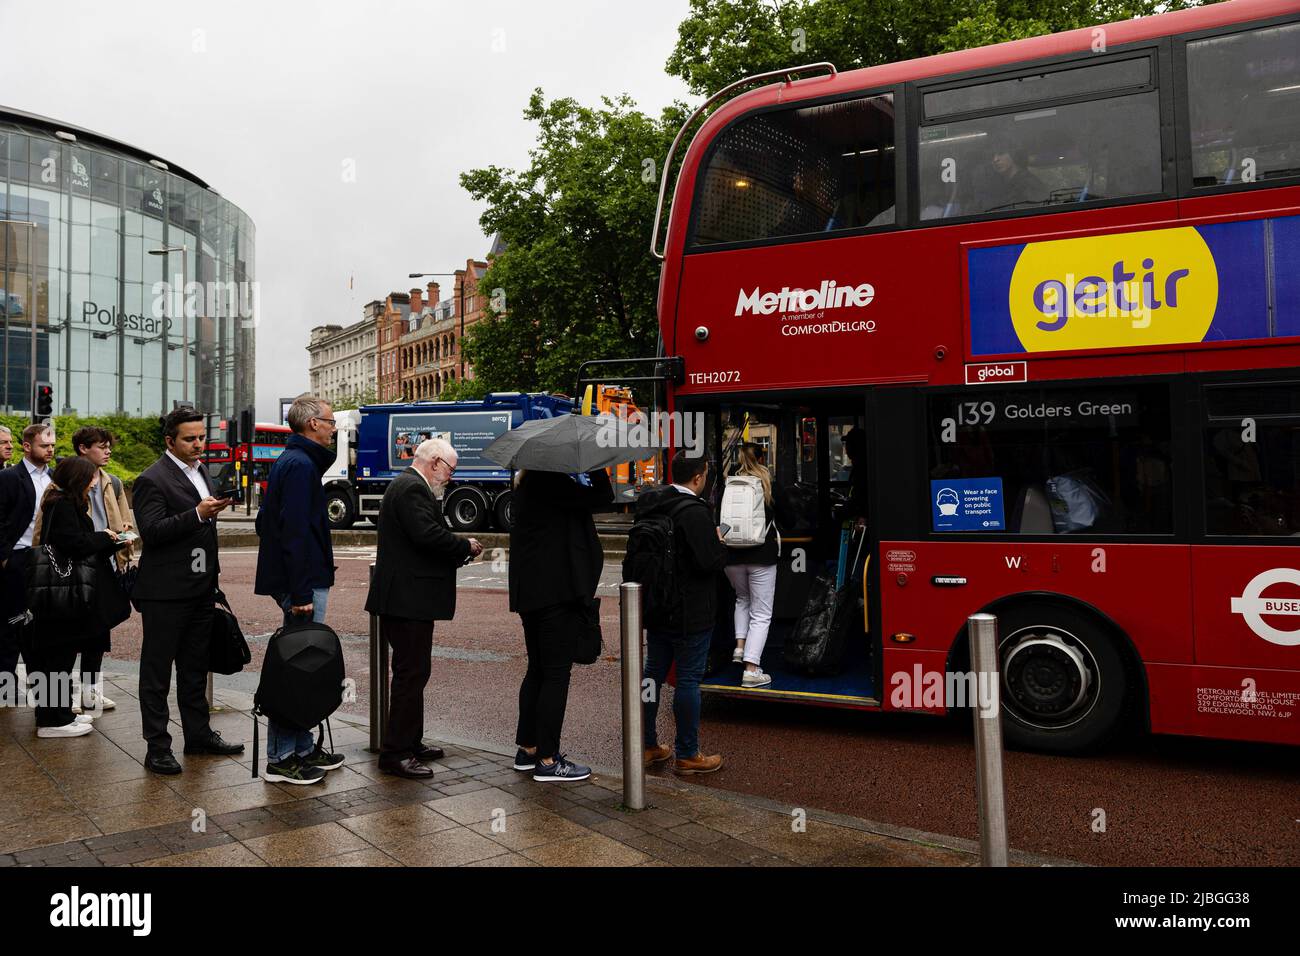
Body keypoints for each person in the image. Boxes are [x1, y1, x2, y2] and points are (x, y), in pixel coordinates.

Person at [132, 407, 243, 775]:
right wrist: (197, 513)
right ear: (170, 441)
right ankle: (157, 747)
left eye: (201, 437)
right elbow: (151, 532)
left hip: (200, 589)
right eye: (189, 439)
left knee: (196, 668)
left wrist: (209, 512)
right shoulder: (152, 478)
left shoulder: (202, 472)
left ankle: (198, 736)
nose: (199, 445)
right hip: (164, 593)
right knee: (157, 671)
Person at [365, 438, 481, 778]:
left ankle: (410, 743)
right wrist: (464, 545)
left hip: (408, 598)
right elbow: (427, 535)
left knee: (415, 673)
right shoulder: (412, 488)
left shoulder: (408, 485)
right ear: (434, 463)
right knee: (410, 675)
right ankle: (395, 753)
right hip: (406, 600)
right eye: (450, 470)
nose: (450, 477)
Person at [254, 395, 345, 784]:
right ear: (311, 425)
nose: (334, 427)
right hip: (303, 582)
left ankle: (302, 746)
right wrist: (302, 591)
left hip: (304, 578)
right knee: (296, 668)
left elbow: (265, 521)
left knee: (304, 666)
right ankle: (281, 757)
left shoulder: (296, 462)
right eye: (329, 421)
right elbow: (293, 533)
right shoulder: (299, 466)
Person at [508, 465, 613, 783]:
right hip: (557, 596)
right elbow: (603, 497)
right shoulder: (551, 482)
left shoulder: (526, 485)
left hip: (532, 596)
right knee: (556, 675)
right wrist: (596, 465)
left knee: (537, 670)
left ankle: (528, 750)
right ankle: (549, 760)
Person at [638, 451, 729, 775]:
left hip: (657, 606)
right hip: (691, 610)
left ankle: (647, 745)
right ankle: (687, 753)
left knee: (652, 676)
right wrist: (719, 542)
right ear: (698, 477)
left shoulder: (652, 504)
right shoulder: (695, 512)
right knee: (688, 680)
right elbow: (710, 562)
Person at [29, 457, 130, 737]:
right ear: (78, 479)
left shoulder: (64, 501)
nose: (95, 481)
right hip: (64, 593)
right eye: (91, 477)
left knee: (60, 654)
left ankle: (59, 715)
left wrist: (112, 541)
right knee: (58, 655)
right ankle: (52, 722)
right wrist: (106, 538)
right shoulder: (62, 504)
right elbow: (73, 543)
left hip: (64, 591)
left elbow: (82, 545)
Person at [67, 426, 135, 714]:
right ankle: (63, 697)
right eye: (102, 446)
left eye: (109, 446)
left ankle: (90, 693)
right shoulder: (65, 482)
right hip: (74, 568)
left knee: (99, 632)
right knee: (68, 636)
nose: (108, 451)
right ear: (83, 448)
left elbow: (123, 518)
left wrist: (125, 543)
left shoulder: (114, 482)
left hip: (105, 564)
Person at [723, 443, 794, 688]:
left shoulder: (729, 484)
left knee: (742, 600)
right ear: (762, 457)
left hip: (731, 557)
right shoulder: (768, 484)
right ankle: (752, 669)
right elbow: (790, 519)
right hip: (762, 556)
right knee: (761, 614)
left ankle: (740, 648)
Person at [0, 424, 55, 700]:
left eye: (52, 445)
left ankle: (40, 688)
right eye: (44, 446)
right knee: (12, 625)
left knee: (43, 627)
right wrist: (4, 557)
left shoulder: (55, 477)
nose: (50, 450)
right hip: (18, 559)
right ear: (27, 446)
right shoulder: (9, 477)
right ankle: (5, 689)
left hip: (47, 561)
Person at [987, 147, 1048, 212]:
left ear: (1013, 155)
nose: (995, 159)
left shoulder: (1028, 182)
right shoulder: (996, 185)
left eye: (1001, 153)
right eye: (991, 156)